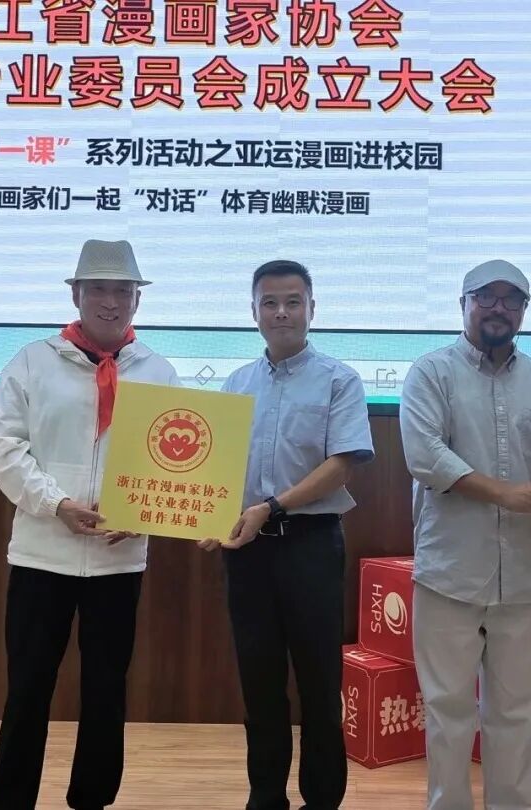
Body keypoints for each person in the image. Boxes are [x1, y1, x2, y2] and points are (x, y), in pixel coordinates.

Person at [0, 239, 181, 810]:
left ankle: (92, 799)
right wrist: (56, 503)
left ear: (138, 299)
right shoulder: (31, 362)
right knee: (28, 688)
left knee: (106, 690)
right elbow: (3, 445)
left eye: (123, 291)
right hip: (41, 554)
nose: (111, 301)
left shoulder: (159, 372)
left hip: (119, 561)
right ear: (76, 294)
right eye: (98, 289)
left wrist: (144, 511)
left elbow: (173, 463)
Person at [197, 260, 374, 810]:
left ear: (311, 309)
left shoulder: (339, 379)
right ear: (253, 312)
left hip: (310, 544)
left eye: (292, 302)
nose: (281, 312)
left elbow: (341, 465)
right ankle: (265, 795)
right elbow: (219, 470)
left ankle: (322, 798)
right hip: (247, 551)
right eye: (269, 303)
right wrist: (208, 517)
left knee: (320, 683)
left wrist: (272, 507)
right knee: (260, 682)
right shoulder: (236, 384)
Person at [399, 259, 531, 810]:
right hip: (449, 572)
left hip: (523, 575)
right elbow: (426, 457)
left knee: (517, 715)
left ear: (524, 310)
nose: (498, 308)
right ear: (463, 304)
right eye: (485, 297)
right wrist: (506, 493)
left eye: (511, 299)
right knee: (448, 711)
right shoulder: (431, 372)